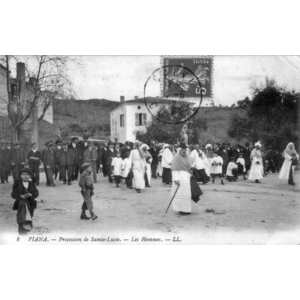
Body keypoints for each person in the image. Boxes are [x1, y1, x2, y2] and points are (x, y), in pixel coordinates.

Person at [171, 143, 201, 215]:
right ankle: (180, 209)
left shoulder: (187, 157)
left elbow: (190, 166)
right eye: (182, 150)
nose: (184, 151)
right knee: (179, 195)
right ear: (180, 150)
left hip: (186, 178)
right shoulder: (176, 158)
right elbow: (174, 170)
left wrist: (191, 170)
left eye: (185, 150)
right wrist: (176, 179)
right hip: (179, 178)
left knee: (187, 194)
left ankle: (186, 210)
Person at [11, 168, 39, 234]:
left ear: (30, 176)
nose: (25, 176)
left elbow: (36, 193)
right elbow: (13, 194)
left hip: (30, 204)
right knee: (21, 217)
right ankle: (21, 231)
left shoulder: (31, 183)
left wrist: (31, 194)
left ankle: (27, 231)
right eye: (23, 175)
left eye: (27, 175)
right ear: (20, 176)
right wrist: (20, 196)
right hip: (21, 204)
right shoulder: (17, 184)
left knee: (29, 218)